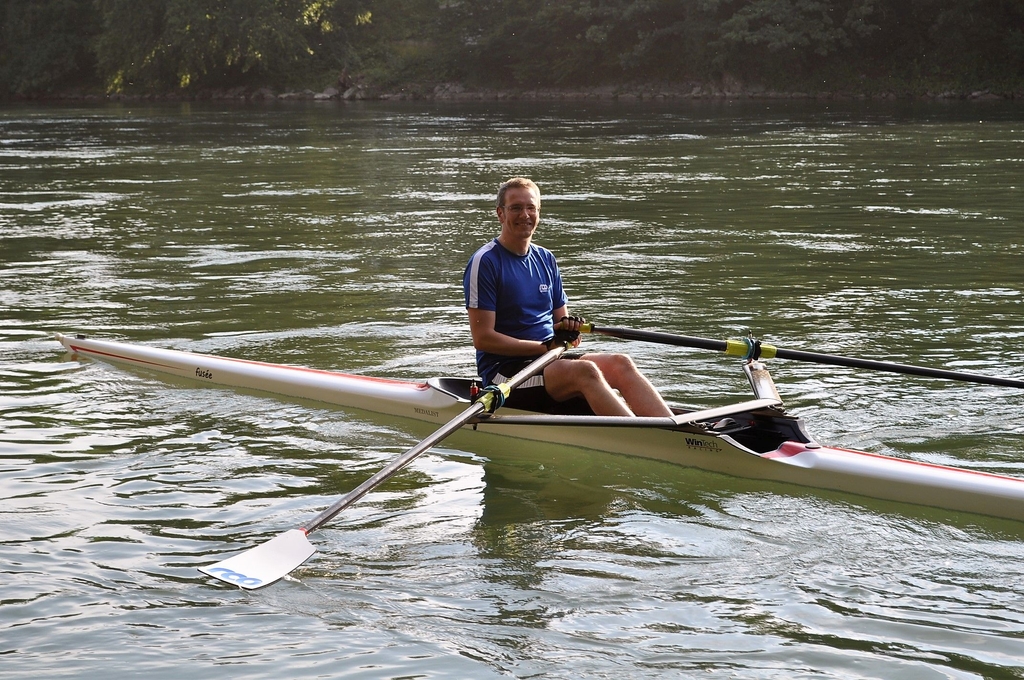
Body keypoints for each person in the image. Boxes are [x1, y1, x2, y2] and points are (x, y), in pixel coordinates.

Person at [463, 177, 673, 417]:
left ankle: (677, 431)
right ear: (501, 214)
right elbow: (483, 339)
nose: (525, 214)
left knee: (620, 363)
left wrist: (568, 331)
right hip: (506, 374)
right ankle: (646, 439)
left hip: (549, 360)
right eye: (516, 208)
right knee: (586, 371)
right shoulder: (486, 261)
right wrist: (545, 347)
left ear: (538, 212)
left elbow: (561, 328)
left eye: (531, 207)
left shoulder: (546, 259)